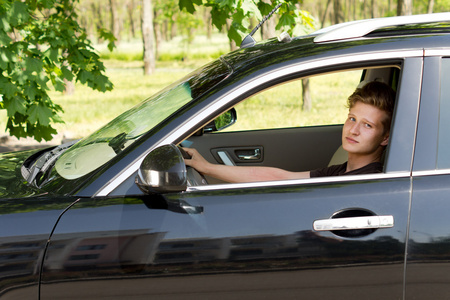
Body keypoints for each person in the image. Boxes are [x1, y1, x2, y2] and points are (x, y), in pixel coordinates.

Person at [184, 81, 395, 183]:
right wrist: (208, 168)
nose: (354, 130)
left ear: (385, 137)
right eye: (352, 119)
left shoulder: (366, 181)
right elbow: (278, 176)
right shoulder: (340, 172)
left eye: (367, 125)